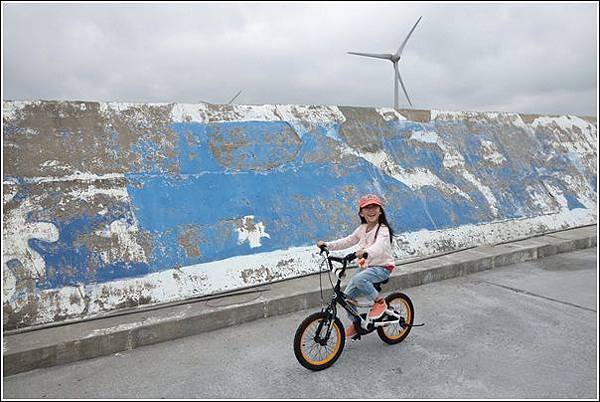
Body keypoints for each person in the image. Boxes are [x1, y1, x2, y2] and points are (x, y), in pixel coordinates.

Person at [316, 194, 396, 338]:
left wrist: (365, 252)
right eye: (367, 208)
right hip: (366, 268)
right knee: (348, 296)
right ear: (361, 213)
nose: (371, 211)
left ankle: (379, 302)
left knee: (359, 279)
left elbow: (378, 247)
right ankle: (357, 323)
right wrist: (328, 245)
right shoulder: (362, 228)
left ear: (380, 211)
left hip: (382, 268)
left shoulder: (383, 229)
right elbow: (348, 241)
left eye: (374, 207)